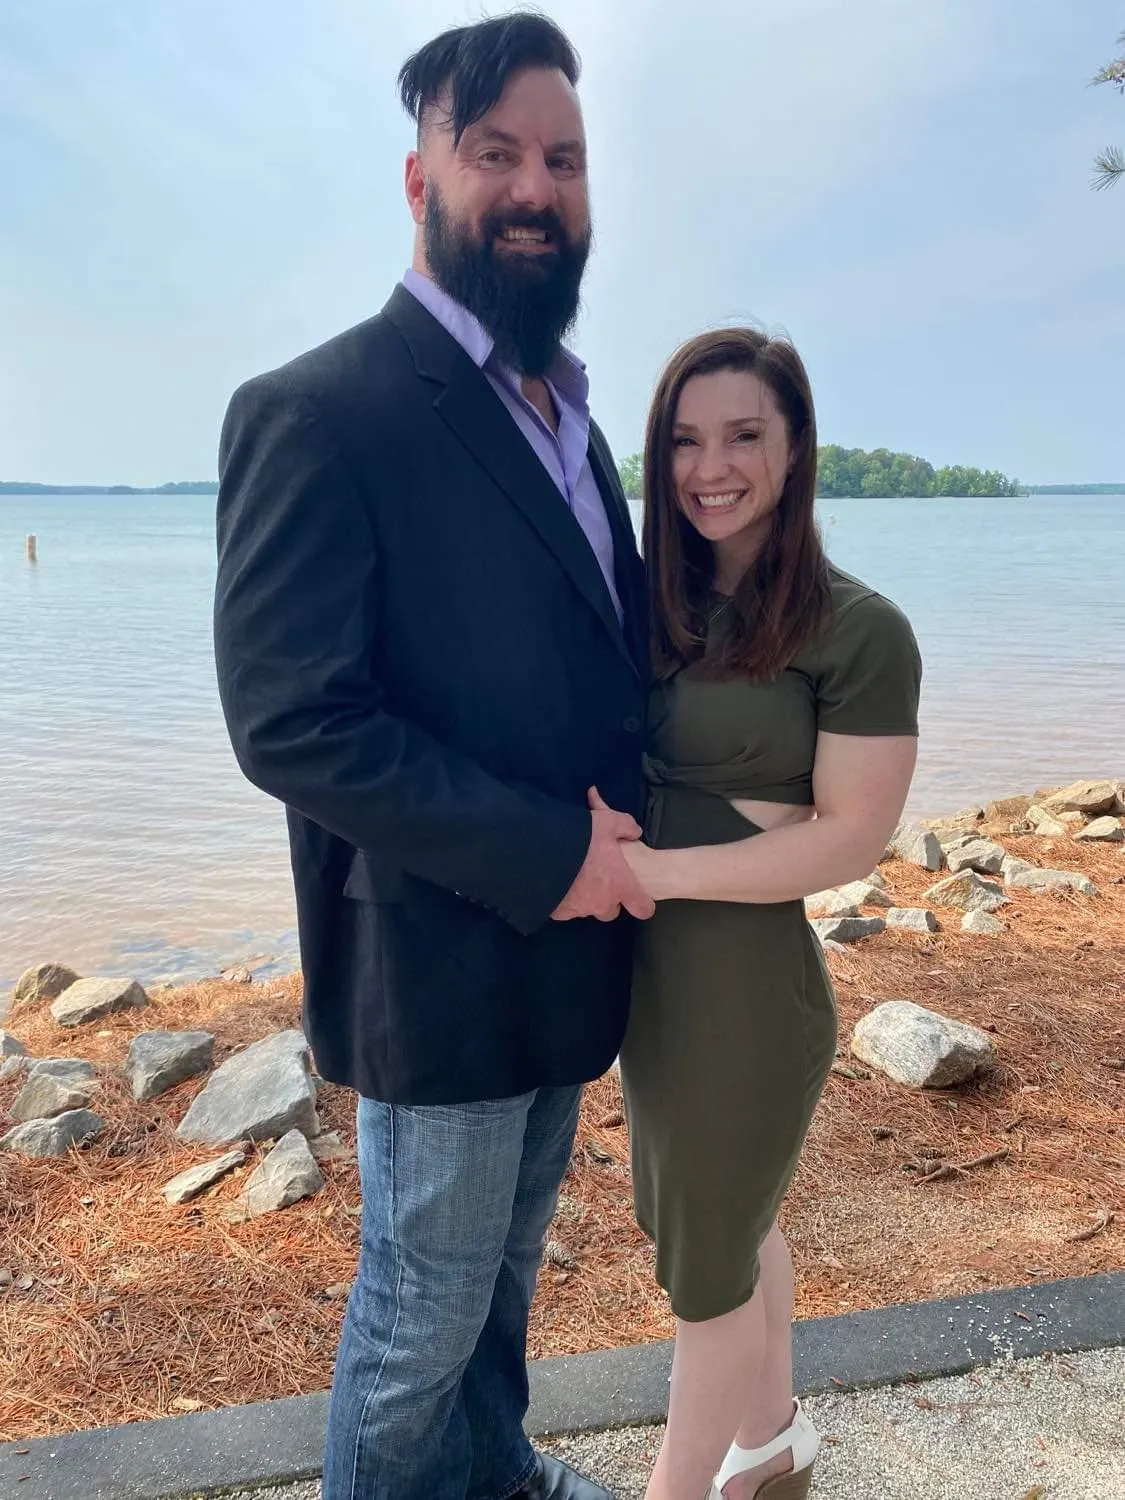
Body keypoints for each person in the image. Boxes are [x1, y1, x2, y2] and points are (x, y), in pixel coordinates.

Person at [212, 15, 650, 1500]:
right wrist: (553, 853)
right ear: (420, 180)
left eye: (563, 161)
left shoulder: (574, 421)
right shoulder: (317, 413)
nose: (535, 189)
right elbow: (292, 719)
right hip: (437, 956)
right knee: (416, 1324)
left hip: (574, 948)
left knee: (504, 1286)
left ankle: (500, 1474)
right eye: (496, 154)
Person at [613, 329, 921, 1500]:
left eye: (744, 435)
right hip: (650, 978)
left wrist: (662, 867)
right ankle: (775, 1440)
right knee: (721, 1224)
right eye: (685, 440)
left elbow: (849, 838)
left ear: (796, 449)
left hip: (744, 989)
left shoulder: (859, 629)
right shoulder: (655, 604)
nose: (711, 467)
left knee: (706, 1271)